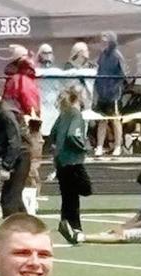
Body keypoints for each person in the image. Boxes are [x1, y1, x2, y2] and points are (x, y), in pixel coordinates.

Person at [50, 86, 92, 245]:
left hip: (61, 160)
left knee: (68, 195)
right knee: (84, 189)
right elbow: (73, 135)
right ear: (79, 98)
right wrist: (84, 147)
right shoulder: (76, 114)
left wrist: (57, 149)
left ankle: (68, 223)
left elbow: (53, 133)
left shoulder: (63, 114)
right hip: (73, 159)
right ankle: (74, 226)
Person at [3, 45, 42, 210]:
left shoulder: (16, 79)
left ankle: (26, 197)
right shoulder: (22, 80)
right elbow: (30, 105)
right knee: (29, 164)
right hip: (27, 126)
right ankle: (28, 198)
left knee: (26, 164)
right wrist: (34, 121)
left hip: (22, 125)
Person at [0, 86, 31, 217]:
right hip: (18, 155)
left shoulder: (5, 113)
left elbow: (14, 142)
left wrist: (6, 166)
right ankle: (27, 226)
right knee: (11, 198)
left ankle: (17, 227)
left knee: (10, 199)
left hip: (20, 156)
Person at [94, 32, 126, 157]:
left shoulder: (117, 56)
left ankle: (118, 146)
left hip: (113, 94)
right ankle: (99, 146)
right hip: (102, 93)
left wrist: (114, 88)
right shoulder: (102, 55)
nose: (103, 43)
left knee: (115, 119)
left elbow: (122, 75)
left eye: (105, 41)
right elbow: (98, 71)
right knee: (102, 120)